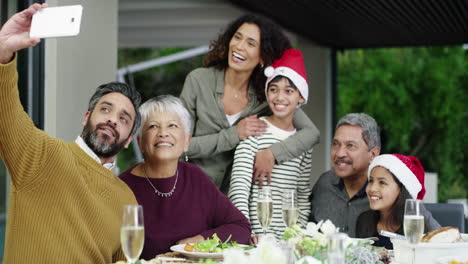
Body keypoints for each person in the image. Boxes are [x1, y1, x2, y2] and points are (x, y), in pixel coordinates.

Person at [0, 4, 142, 263]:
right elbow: (4, 106)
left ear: (128, 140)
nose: (112, 119)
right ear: (87, 117)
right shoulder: (41, 155)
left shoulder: (126, 198)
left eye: (123, 119)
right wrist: (3, 51)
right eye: (105, 109)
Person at [180, 14, 320, 193]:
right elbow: (180, 144)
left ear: (262, 57)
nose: (239, 46)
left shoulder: (268, 96)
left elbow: (312, 133)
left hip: (234, 203)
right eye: (237, 37)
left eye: (251, 43)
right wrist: (234, 135)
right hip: (192, 191)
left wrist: (272, 153)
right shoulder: (198, 80)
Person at [119, 95, 251, 259]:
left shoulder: (195, 177)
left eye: (172, 125)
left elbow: (240, 227)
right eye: (153, 126)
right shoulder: (122, 187)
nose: (163, 133)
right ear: (140, 142)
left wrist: (198, 242)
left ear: (187, 142)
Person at [228, 49, 312, 240]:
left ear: (301, 97)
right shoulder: (254, 131)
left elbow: (302, 194)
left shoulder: (303, 143)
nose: (279, 97)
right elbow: (238, 190)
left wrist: (297, 233)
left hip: (288, 241)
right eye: (273, 89)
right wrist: (246, 231)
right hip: (256, 239)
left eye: (289, 91)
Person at [309, 113, 381, 238]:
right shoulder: (324, 183)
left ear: (373, 154)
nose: (340, 153)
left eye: (350, 146)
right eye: (336, 144)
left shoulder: (386, 192)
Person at [356, 154, 441, 249]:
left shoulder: (416, 226)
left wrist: (414, 203)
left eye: (382, 182)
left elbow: (443, 247)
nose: (372, 188)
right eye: (371, 181)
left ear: (402, 189)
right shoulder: (364, 220)